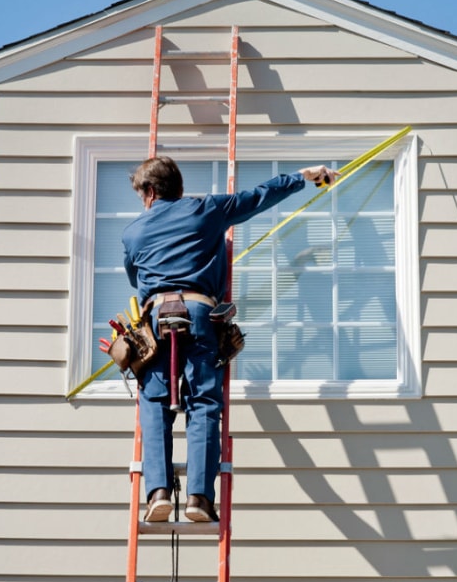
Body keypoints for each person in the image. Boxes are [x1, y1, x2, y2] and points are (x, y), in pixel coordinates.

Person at [117, 155, 338, 523]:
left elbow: (133, 277)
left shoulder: (133, 232)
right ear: (180, 188)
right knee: (204, 402)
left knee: (154, 404)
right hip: (200, 314)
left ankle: (157, 493)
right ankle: (199, 499)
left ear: (151, 192)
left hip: (156, 320)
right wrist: (304, 176)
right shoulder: (208, 210)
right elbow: (259, 197)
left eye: (142, 195)